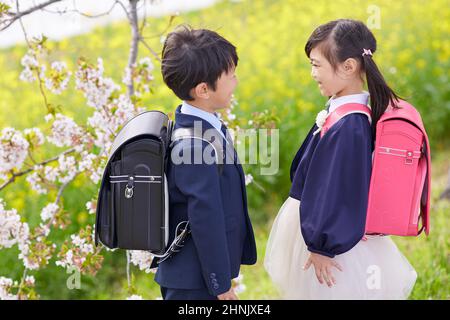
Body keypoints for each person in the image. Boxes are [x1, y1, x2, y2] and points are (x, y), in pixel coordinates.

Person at [264, 19, 417, 299]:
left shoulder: (350, 124)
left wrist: (322, 245)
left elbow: (340, 187)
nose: (312, 73)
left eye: (317, 64)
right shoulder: (343, 113)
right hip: (319, 225)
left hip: (330, 238)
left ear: (348, 66)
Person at [152, 25, 257, 300]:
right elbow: (205, 218)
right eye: (230, 77)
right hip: (193, 282)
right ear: (203, 90)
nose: (235, 82)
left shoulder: (203, 127)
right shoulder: (193, 145)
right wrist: (220, 283)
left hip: (197, 275)